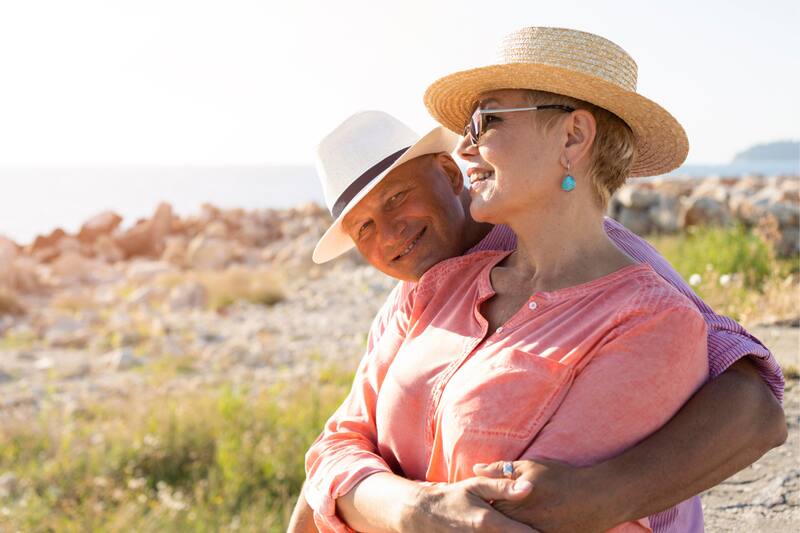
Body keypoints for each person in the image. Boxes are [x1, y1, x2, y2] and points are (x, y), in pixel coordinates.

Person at [289, 28, 786, 533]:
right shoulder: (426, 292)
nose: (388, 235)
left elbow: (750, 400)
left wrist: (604, 494)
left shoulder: (623, 285)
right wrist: (410, 509)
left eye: (396, 198)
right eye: (362, 228)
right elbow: (332, 454)